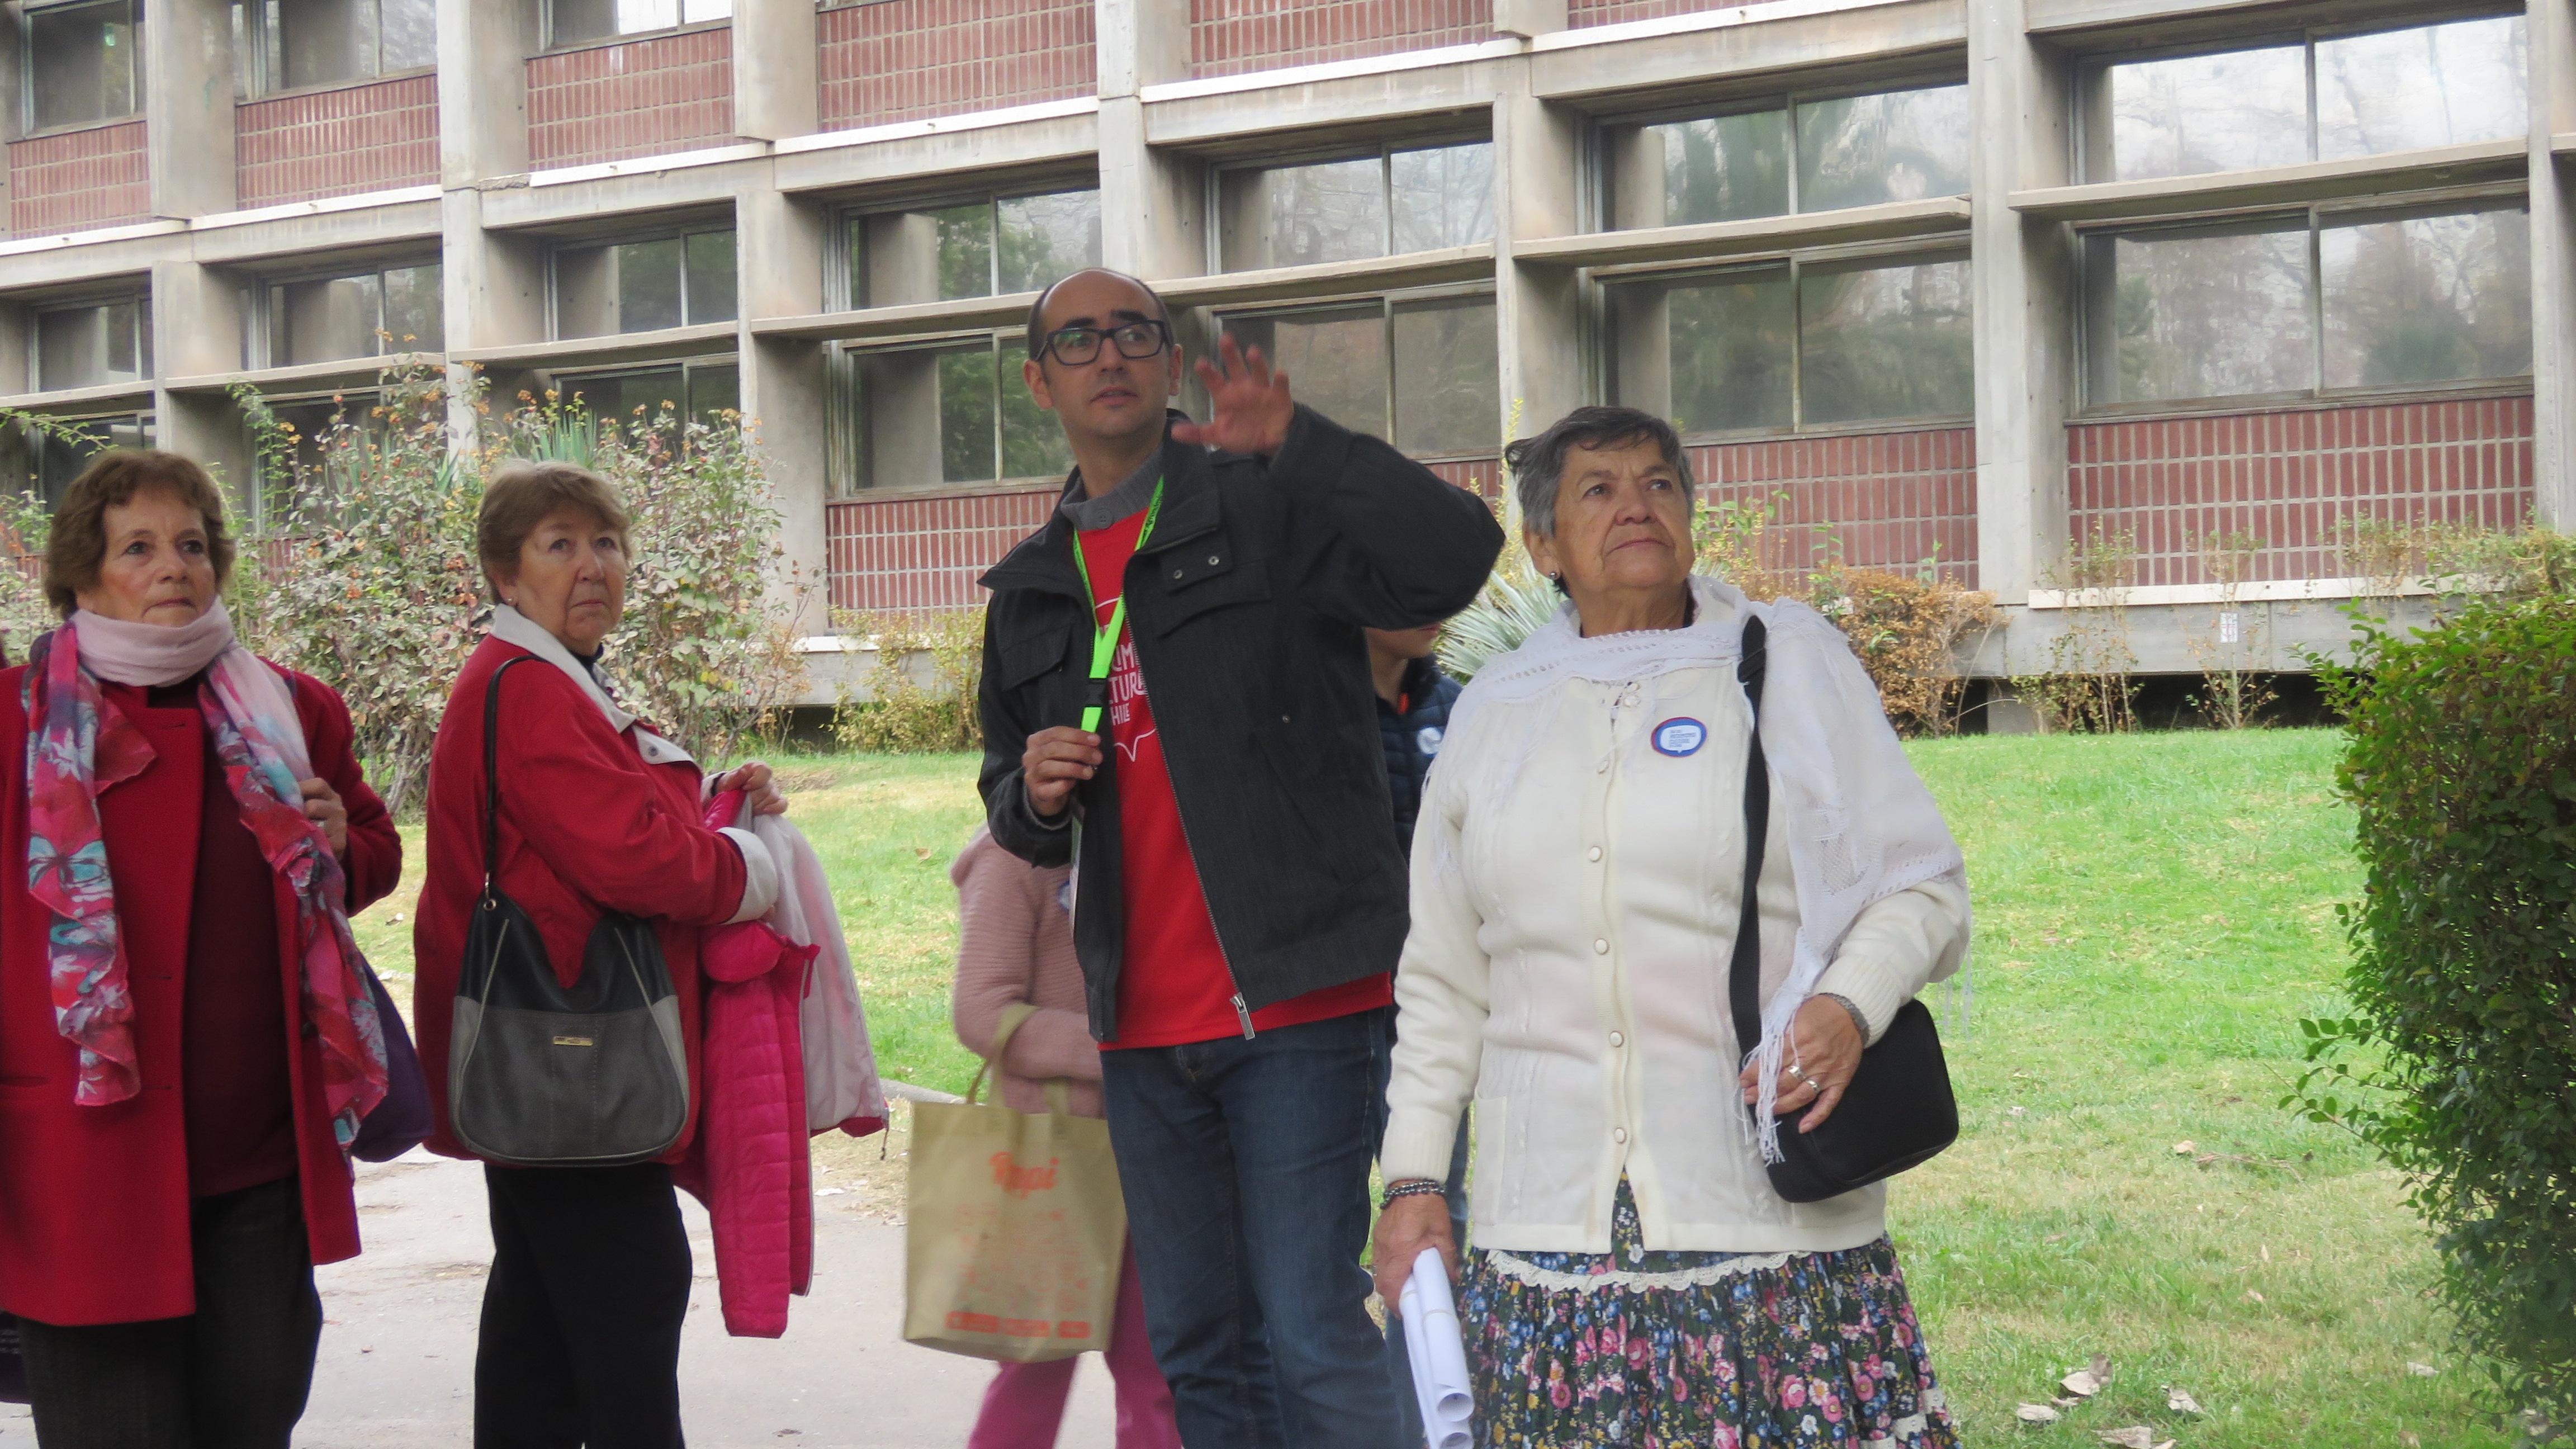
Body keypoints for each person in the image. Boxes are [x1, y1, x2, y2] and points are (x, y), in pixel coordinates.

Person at [1370, 406, 1971, 1447]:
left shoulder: (1784, 662)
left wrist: (1846, 1003)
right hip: (1543, 1237)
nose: (1636, 505)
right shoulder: (1494, 711)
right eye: (1597, 488)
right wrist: (1416, 1176)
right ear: (1545, 545)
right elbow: (1441, 974)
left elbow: (1920, 884)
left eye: (1659, 483)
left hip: (1762, 1229)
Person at [976, 267, 1502, 1446]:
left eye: (1133, 334)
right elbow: (1008, 806)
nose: (1108, 355)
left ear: (1168, 360)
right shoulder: (1031, 592)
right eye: (1077, 339)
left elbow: (1454, 557)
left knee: (1313, 1330)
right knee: (1199, 1350)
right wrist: (1034, 789)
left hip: (1301, 1004)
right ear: (1038, 380)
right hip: (1141, 1031)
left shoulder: (1262, 502)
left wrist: (1304, 446)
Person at [0, 450, 402, 1448]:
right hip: (85, 1161)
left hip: (257, 1153)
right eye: (138, 547)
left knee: (256, 1409)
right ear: (82, 575)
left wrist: (342, 847)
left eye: (192, 544)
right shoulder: (16, 722)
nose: (174, 565)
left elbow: (373, 848)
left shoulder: (293, 709)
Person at [411, 460, 787, 1448]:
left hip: (539, 1048)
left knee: (541, 1328)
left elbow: (605, 820)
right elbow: (632, 858)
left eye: (606, 542)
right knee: (627, 1304)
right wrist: (748, 867)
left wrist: (712, 809)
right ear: (505, 571)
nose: (591, 565)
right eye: (559, 544)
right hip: (570, 1051)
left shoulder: (543, 676)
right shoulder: (530, 687)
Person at [949, 826, 1183, 1449]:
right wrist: (1118, 1053)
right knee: (1034, 1366)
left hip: (1161, 1144)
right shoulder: (1009, 856)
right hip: (1051, 1162)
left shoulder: (1154, 834)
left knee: (1158, 1371)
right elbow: (980, 1010)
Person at [1363, 622, 1471, 1445]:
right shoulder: (1308, 714)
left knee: (1444, 1233)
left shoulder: (1463, 710)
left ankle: (1444, 1419)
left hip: (1443, 1025)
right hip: (1330, 1027)